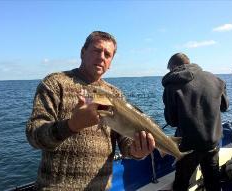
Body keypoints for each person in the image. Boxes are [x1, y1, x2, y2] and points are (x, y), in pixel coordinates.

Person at [26, 31, 155, 190]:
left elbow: (125, 145)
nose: (102, 57)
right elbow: (34, 136)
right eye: (96, 50)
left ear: (110, 63)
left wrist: (138, 151)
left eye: (107, 54)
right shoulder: (55, 83)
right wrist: (71, 125)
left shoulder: (116, 94)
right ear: (82, 52)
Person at [162, 53, 229, 191]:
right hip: (212, 141)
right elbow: (224, 107)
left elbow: (172, 121)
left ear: (174, 66)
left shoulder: (171, 85)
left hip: (188, 145)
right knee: (213, 181)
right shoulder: (216, 79)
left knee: (181, 184)